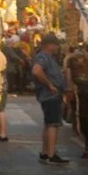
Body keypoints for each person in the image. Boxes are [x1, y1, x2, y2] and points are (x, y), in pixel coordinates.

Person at [31, 33, 70, 165]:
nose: (57, 47)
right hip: (50, 95)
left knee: (48, 124)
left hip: (50, 95)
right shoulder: (43, 57)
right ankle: (51, 154)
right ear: (49, 45)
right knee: (53, 124)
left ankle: (45, 152)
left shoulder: (48, 57)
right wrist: (50, 85)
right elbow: (36, 71)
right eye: (55, 44)